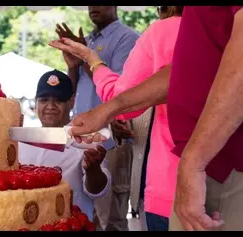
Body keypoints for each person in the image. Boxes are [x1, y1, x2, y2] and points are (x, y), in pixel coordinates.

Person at [61, 6, 243, 231]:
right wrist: (107, 110)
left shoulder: (156, 32)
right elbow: (181, 73)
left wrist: (193, 161)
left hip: (212, 173)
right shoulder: (193, 23)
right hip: (192, 177)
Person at [49, 6, 184, 231]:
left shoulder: (133, 36)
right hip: (213, 176)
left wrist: (89, 59)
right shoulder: (222, 30)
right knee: (81, 213)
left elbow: (124, 96)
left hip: (117, 144)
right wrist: (77, 62)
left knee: (110, 218)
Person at [55, 6, 139, 231]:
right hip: (79, 141)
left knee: (109, 219)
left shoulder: (127, 38)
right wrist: (73, 66)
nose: (93, 7)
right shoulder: (88, 40)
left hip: (111, 141)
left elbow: (120, 91)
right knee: (80, 213)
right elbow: (71, 93)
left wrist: (84, 56)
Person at [18, 70, 111, 223]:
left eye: (58, 101)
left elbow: (98, 191)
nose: (50, 106)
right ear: (36, 102)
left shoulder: (86, 139)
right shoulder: (23, 140)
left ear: (72, 101)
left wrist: (93, 170)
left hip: (70, 225)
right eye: (44, 100)